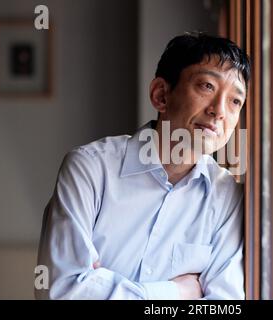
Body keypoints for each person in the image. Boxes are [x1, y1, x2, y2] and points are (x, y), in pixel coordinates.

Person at [35, 33, 250, 300]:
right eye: (207, 86)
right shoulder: (89, 169)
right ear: (161, 95)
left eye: (235, 101)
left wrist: (100, 285)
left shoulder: (228, 195)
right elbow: (61, 291)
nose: (219, 111)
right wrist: (179, 291)